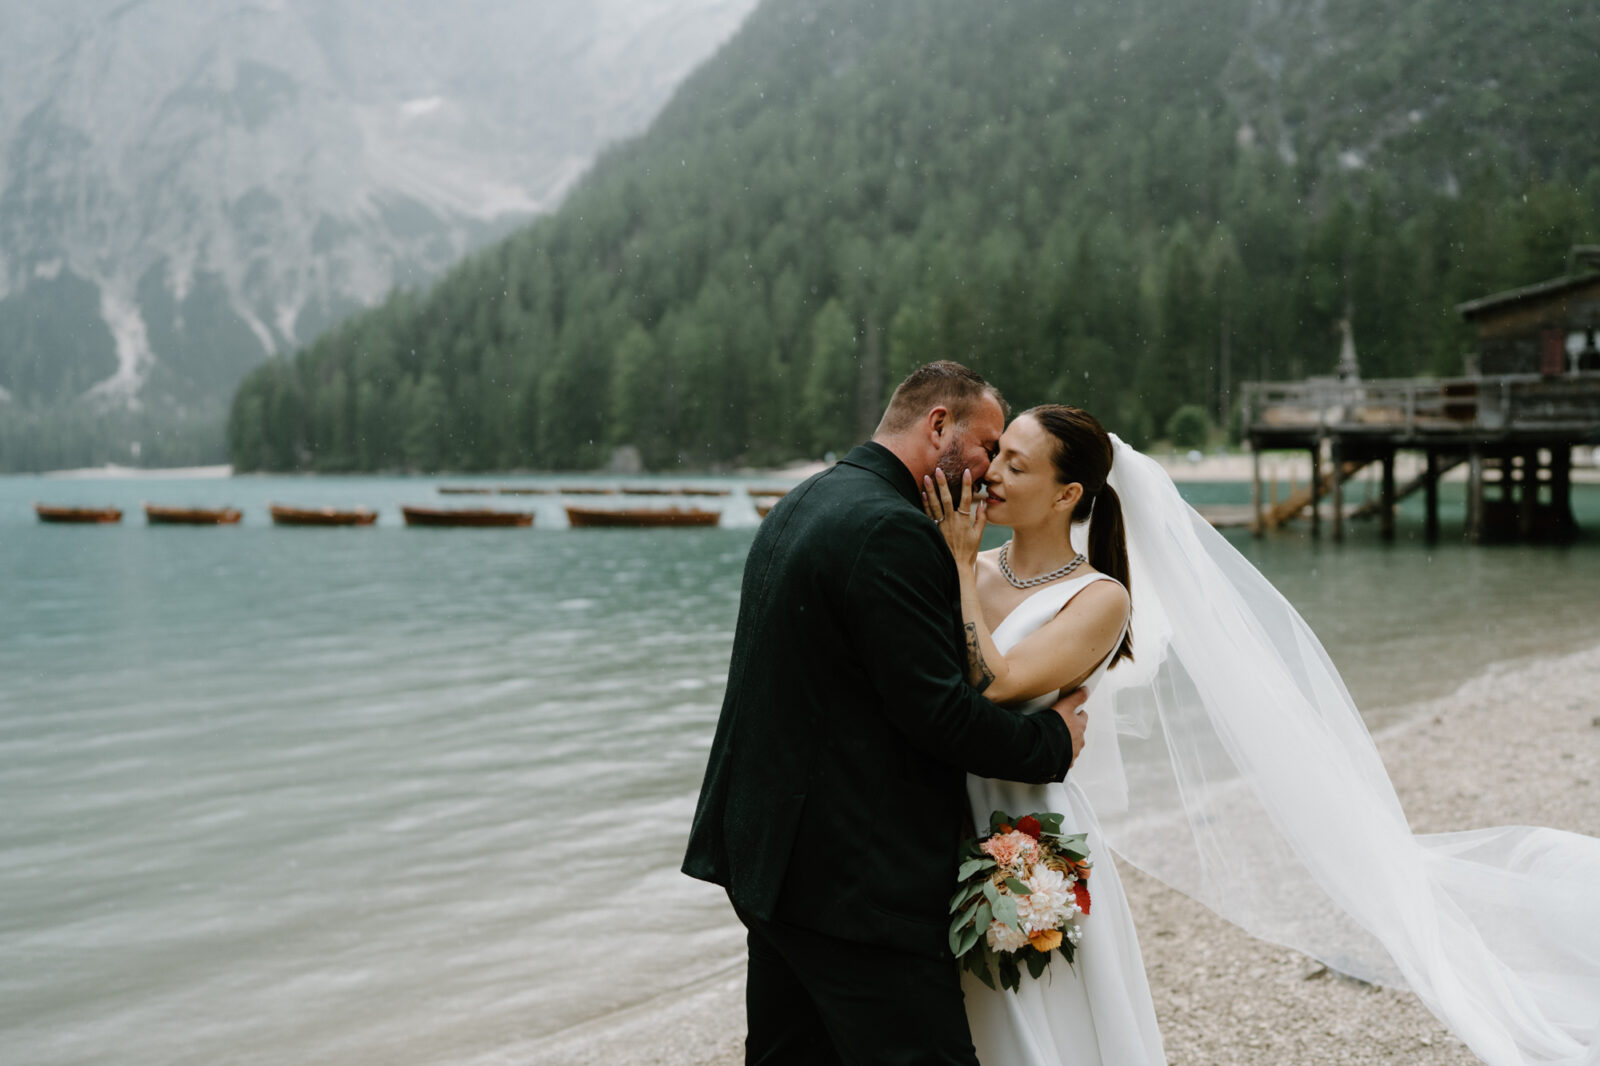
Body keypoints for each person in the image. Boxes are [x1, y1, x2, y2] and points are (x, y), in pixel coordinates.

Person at [923, 404, 1600, 1066]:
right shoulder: (974, 567)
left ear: (1066, 493)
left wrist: (957, 562)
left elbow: (998, 682)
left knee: (1039, 1015)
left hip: (1032, 834)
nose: (991, 474)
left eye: (1016, 464)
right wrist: (958, 562)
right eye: (998, 456)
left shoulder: (1098, 597)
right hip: (946, 813)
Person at [682, 362, 1092, 1065]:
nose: (989, 468)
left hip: (767, 859)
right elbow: (939, 715)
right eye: (987, 446)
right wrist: (1051, 740)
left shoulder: (809, 499)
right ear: (939, 426)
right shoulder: (891, 533)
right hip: (851, 885)